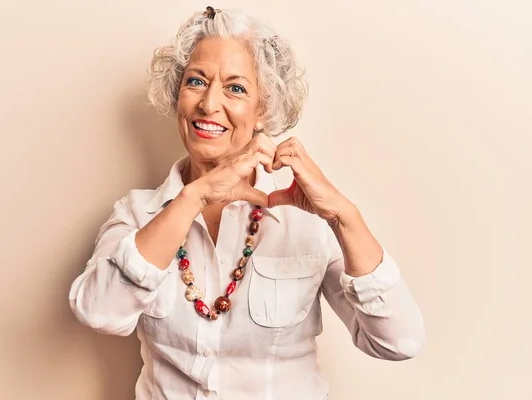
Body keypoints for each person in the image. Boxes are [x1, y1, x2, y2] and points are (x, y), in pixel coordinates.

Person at [69, 6, 425, 400]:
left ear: (264, 110)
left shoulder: (307, 220)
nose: (208, 104)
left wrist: (345, 216)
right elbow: (98, 313)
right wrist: (194, 196)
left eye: (235, 88)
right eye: (196, 81)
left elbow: (398, 342)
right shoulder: (137, 214)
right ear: (176, 97)